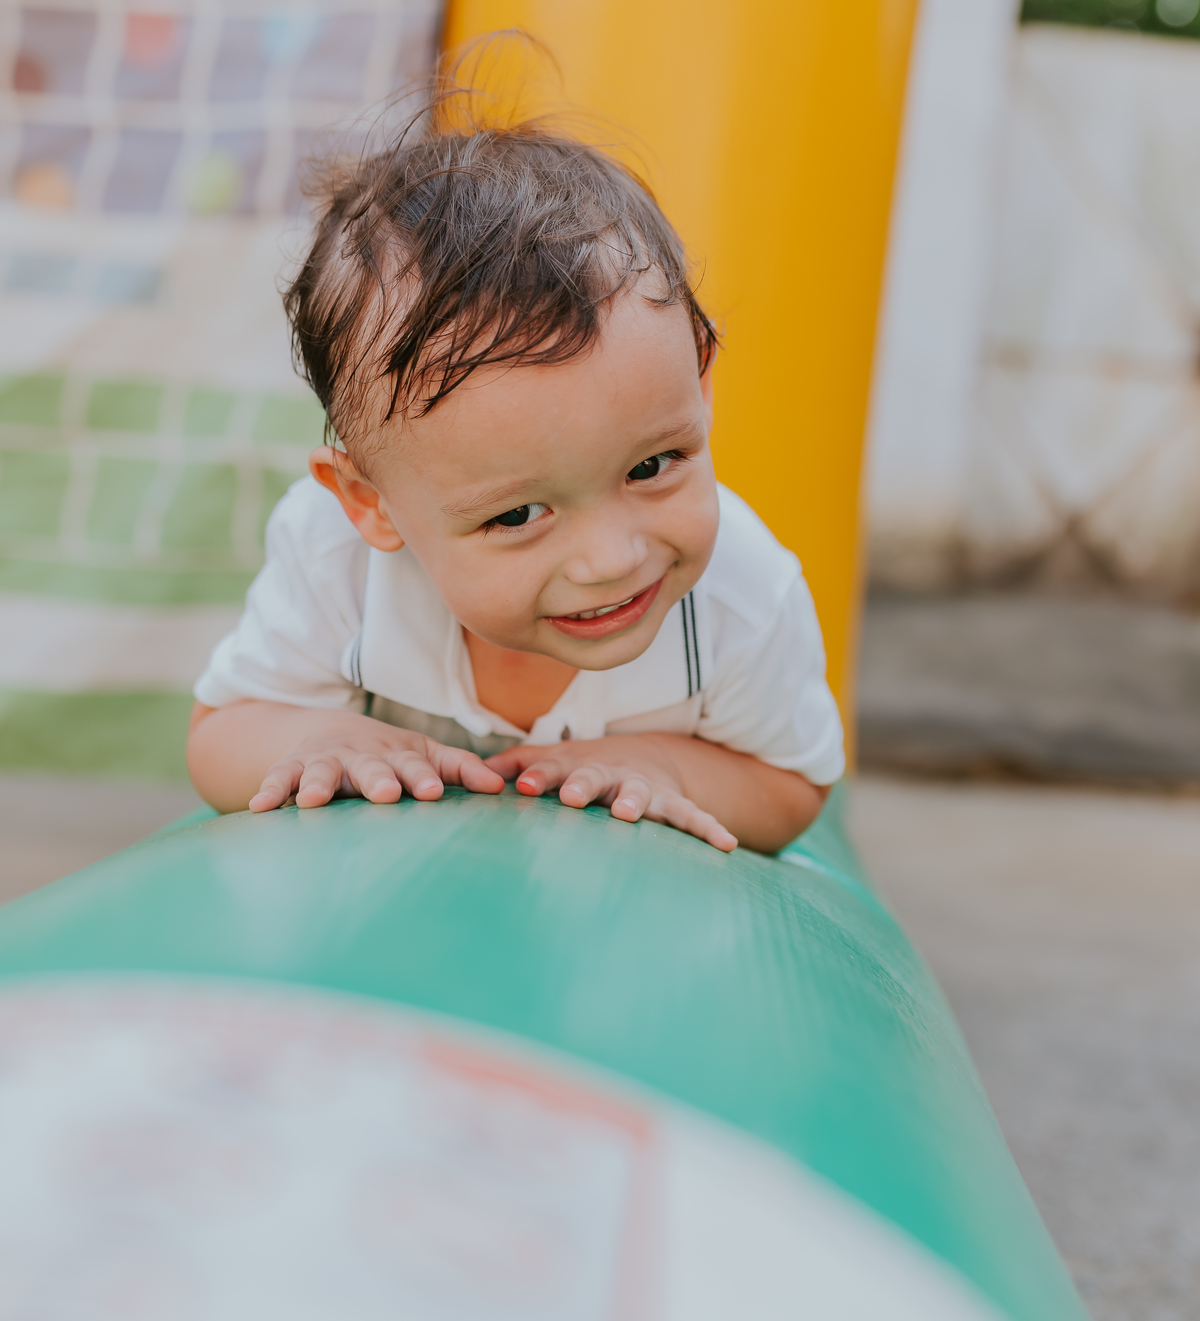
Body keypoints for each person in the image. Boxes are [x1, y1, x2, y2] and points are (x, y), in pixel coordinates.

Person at [188, 95, 844, 854]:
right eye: (516, 516)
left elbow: (792, 784)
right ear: (373, 505)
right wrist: (321, 740)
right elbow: (222, 734)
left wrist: (668, 765)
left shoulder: (742, 595)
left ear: (700, 380)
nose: (612, 561)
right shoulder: (336, 561)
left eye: (650, 467)